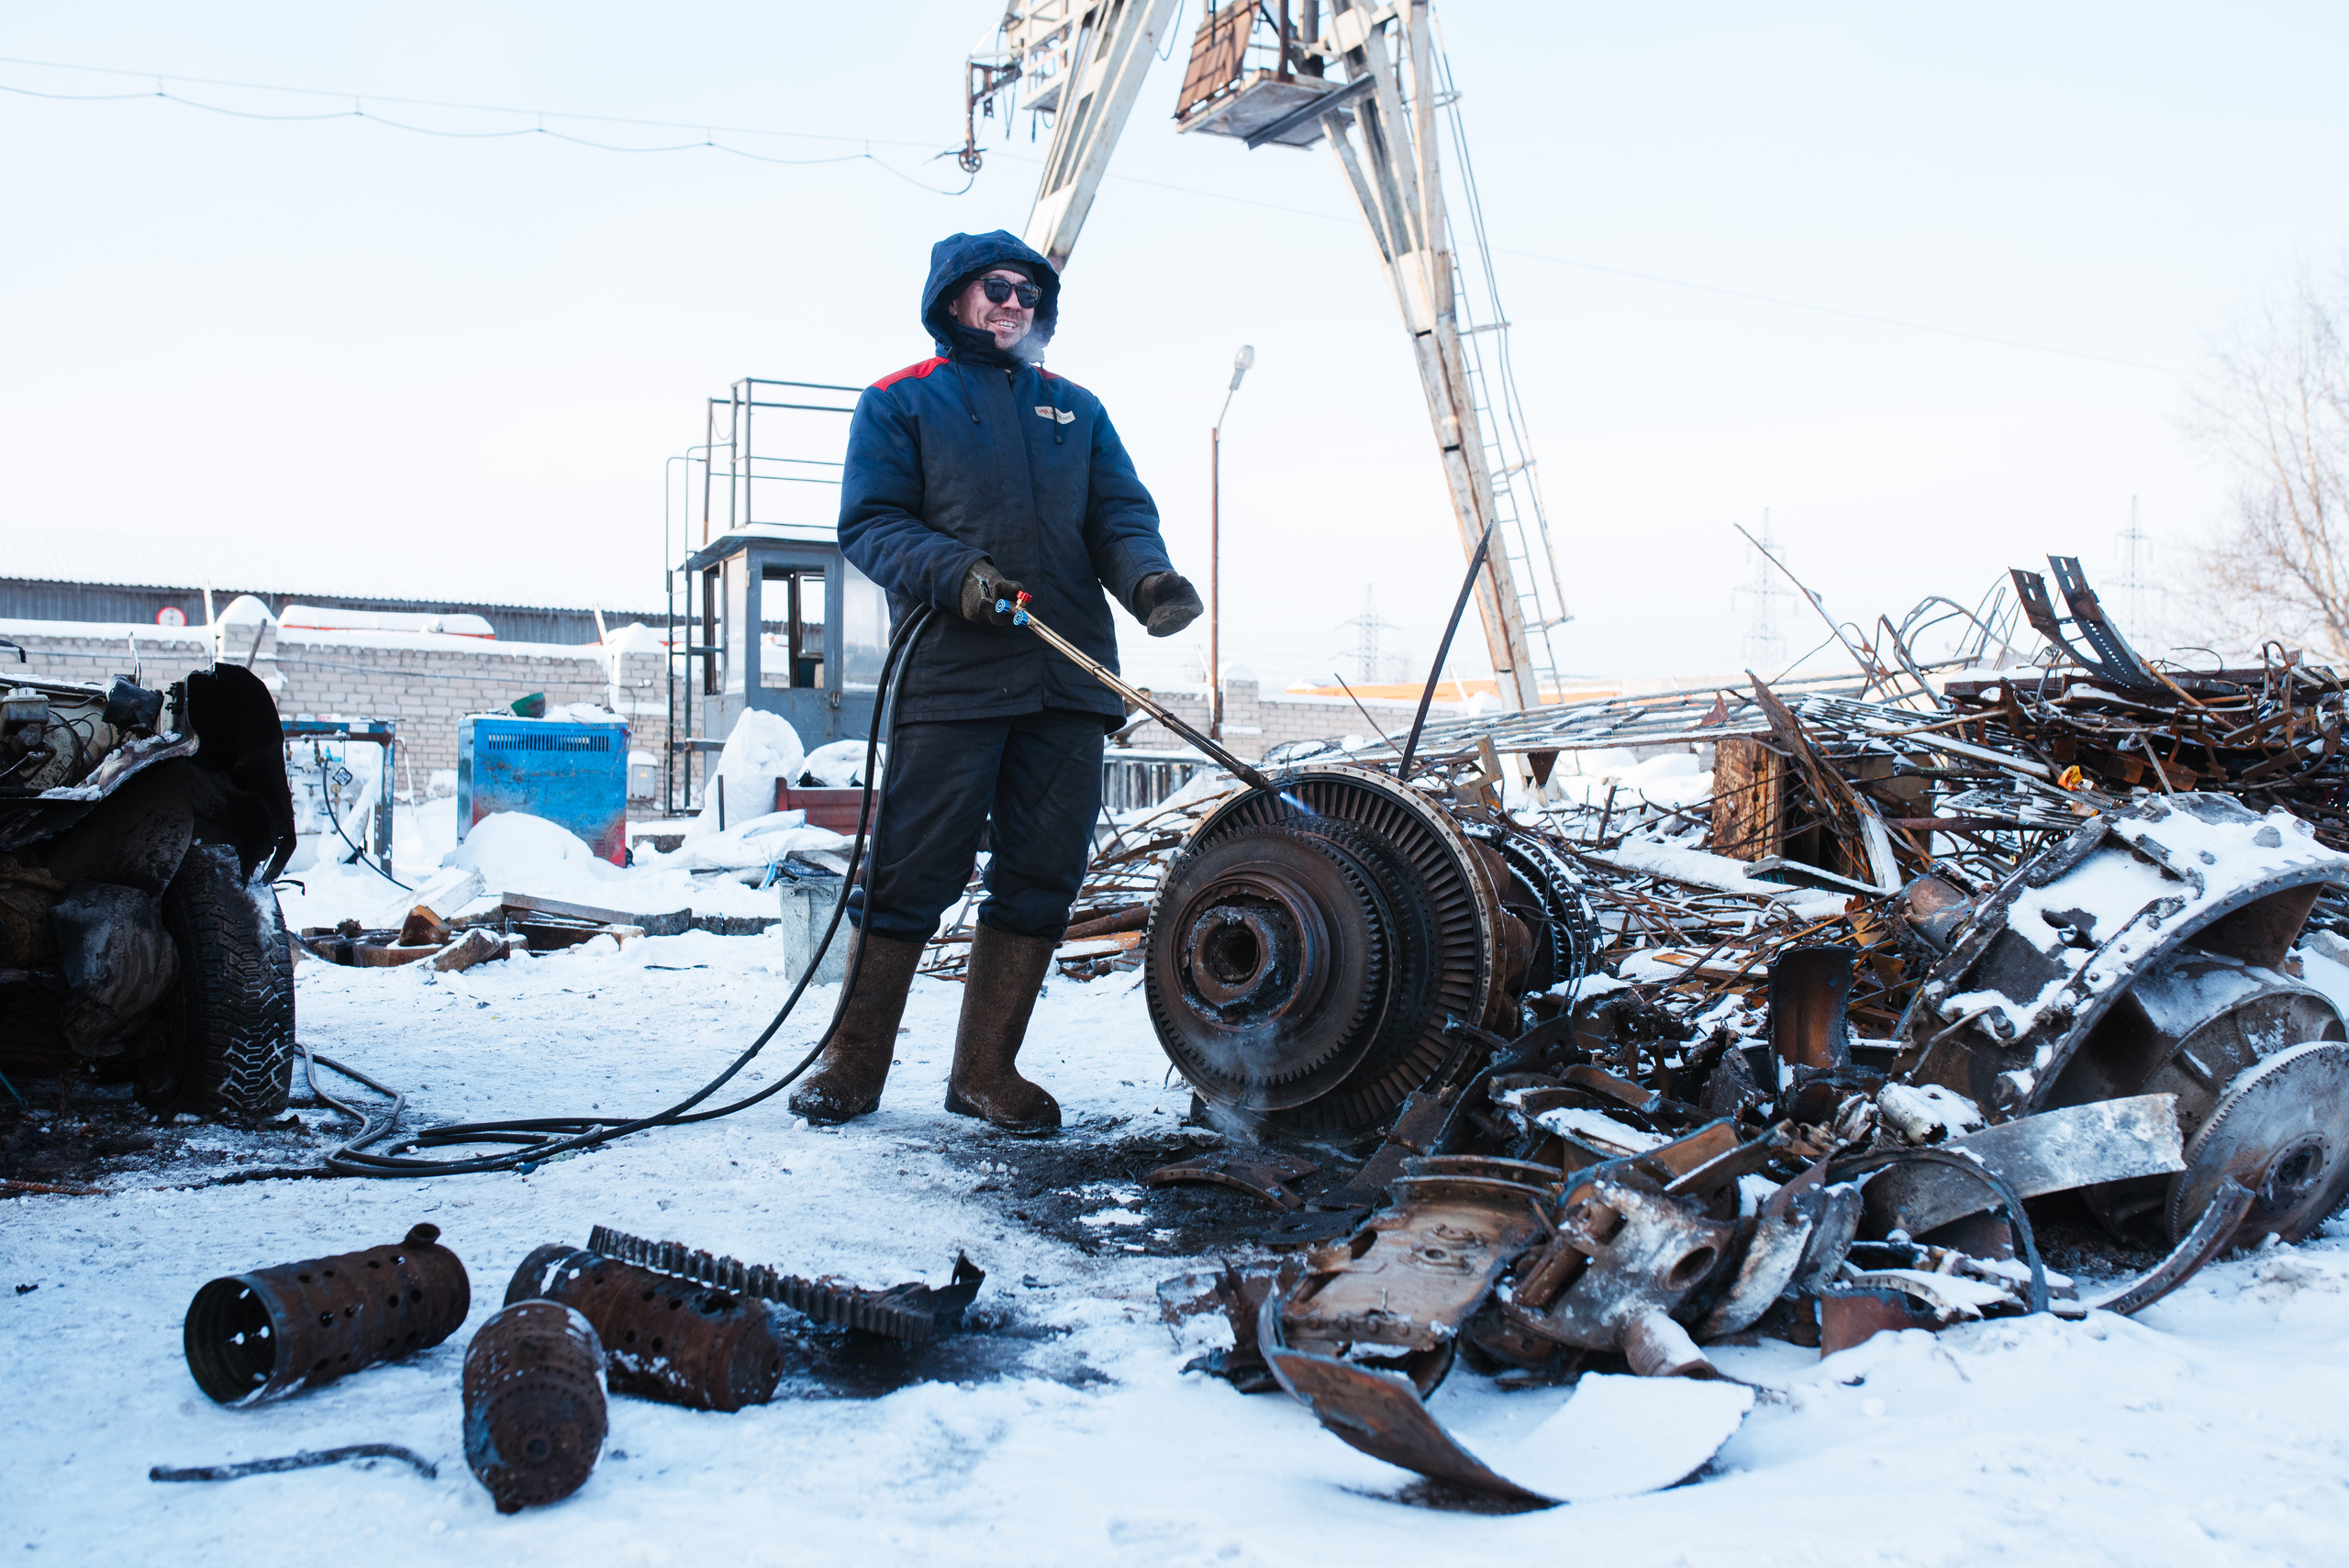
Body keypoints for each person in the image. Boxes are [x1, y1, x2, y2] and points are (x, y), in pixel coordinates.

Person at [790, 230, 1202, 1135]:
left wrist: (1147, 580)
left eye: (1028, 292)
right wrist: (956, 572)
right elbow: (872, 523)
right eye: (997, 289)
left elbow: (1119, 514)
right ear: (954, 298)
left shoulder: (1076, 409)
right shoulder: (901, 402)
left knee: (1043, 872)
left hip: (1066, 677)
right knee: (912, 867)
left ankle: (984, 1070)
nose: (1014, 304)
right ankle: (850, 1061)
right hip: (953, 673)